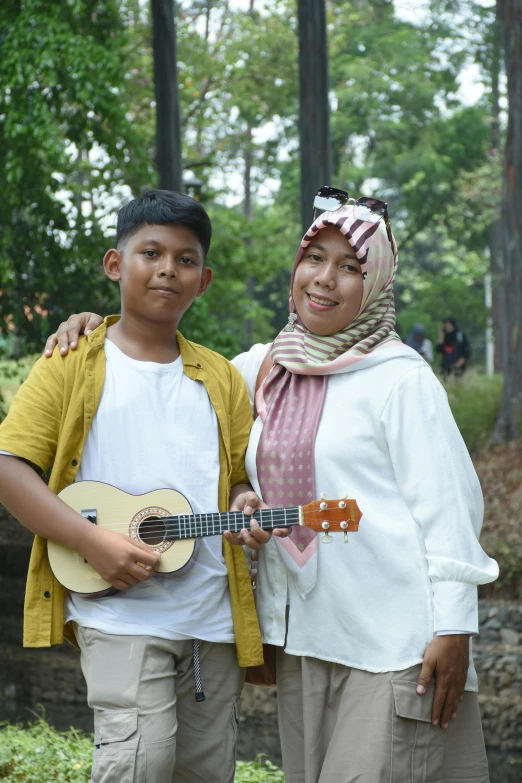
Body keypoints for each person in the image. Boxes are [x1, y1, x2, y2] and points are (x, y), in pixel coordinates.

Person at [44, 187, 498, 783]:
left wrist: (454, 626)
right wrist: (89, 329)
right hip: (306, 643)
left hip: (394, 641)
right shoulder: (262, 367)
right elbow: (166, 370)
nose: (325, 279)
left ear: (378, 283)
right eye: (315, 258)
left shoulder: (400, 380)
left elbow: (451, 508)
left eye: (351, 267)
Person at [0, 190, 277, 783]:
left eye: (184, 259)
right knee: (137, 765)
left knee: (207, 771)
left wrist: (244, 504)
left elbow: (234, 481)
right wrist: (92, 541)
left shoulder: (222, 377)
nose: (166, 270)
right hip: (119, 615)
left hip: (213, 622)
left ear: (203, 281)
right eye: (150, 252)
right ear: (114, 264)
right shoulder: (71, 361)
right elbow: (8, 466)